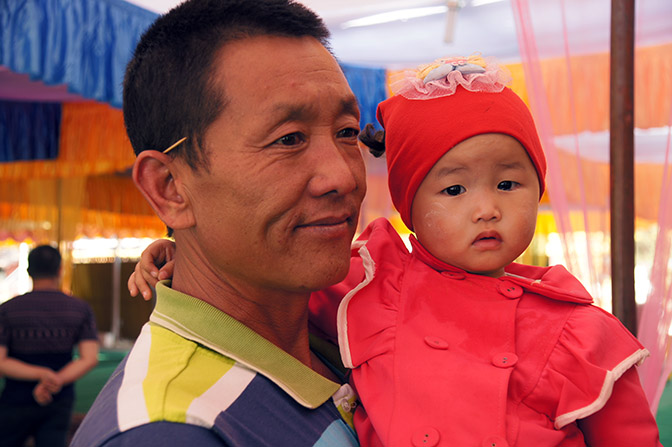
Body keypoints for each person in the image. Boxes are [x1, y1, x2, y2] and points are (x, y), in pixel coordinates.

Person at [132, 55, 663, 446]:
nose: (486, 209)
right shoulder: (371, 281)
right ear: (409, 204)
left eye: (509, 184)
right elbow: (261, 278)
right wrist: (179, 252)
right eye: (453, 191)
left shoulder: (581, 331)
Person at [71, 0, 365, 445]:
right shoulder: (171, 430)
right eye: (288, 139)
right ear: (169, 186)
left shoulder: (344, 330)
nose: (342, 176)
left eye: (347, 131)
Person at [0, 244, 99, 447]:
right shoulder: (79, 309)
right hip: (59, 396)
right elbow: (89, 358)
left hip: (15, 398)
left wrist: (40, 374)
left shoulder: (8, 310)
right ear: (60, 270)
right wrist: (54, 378)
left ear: (28, 271)